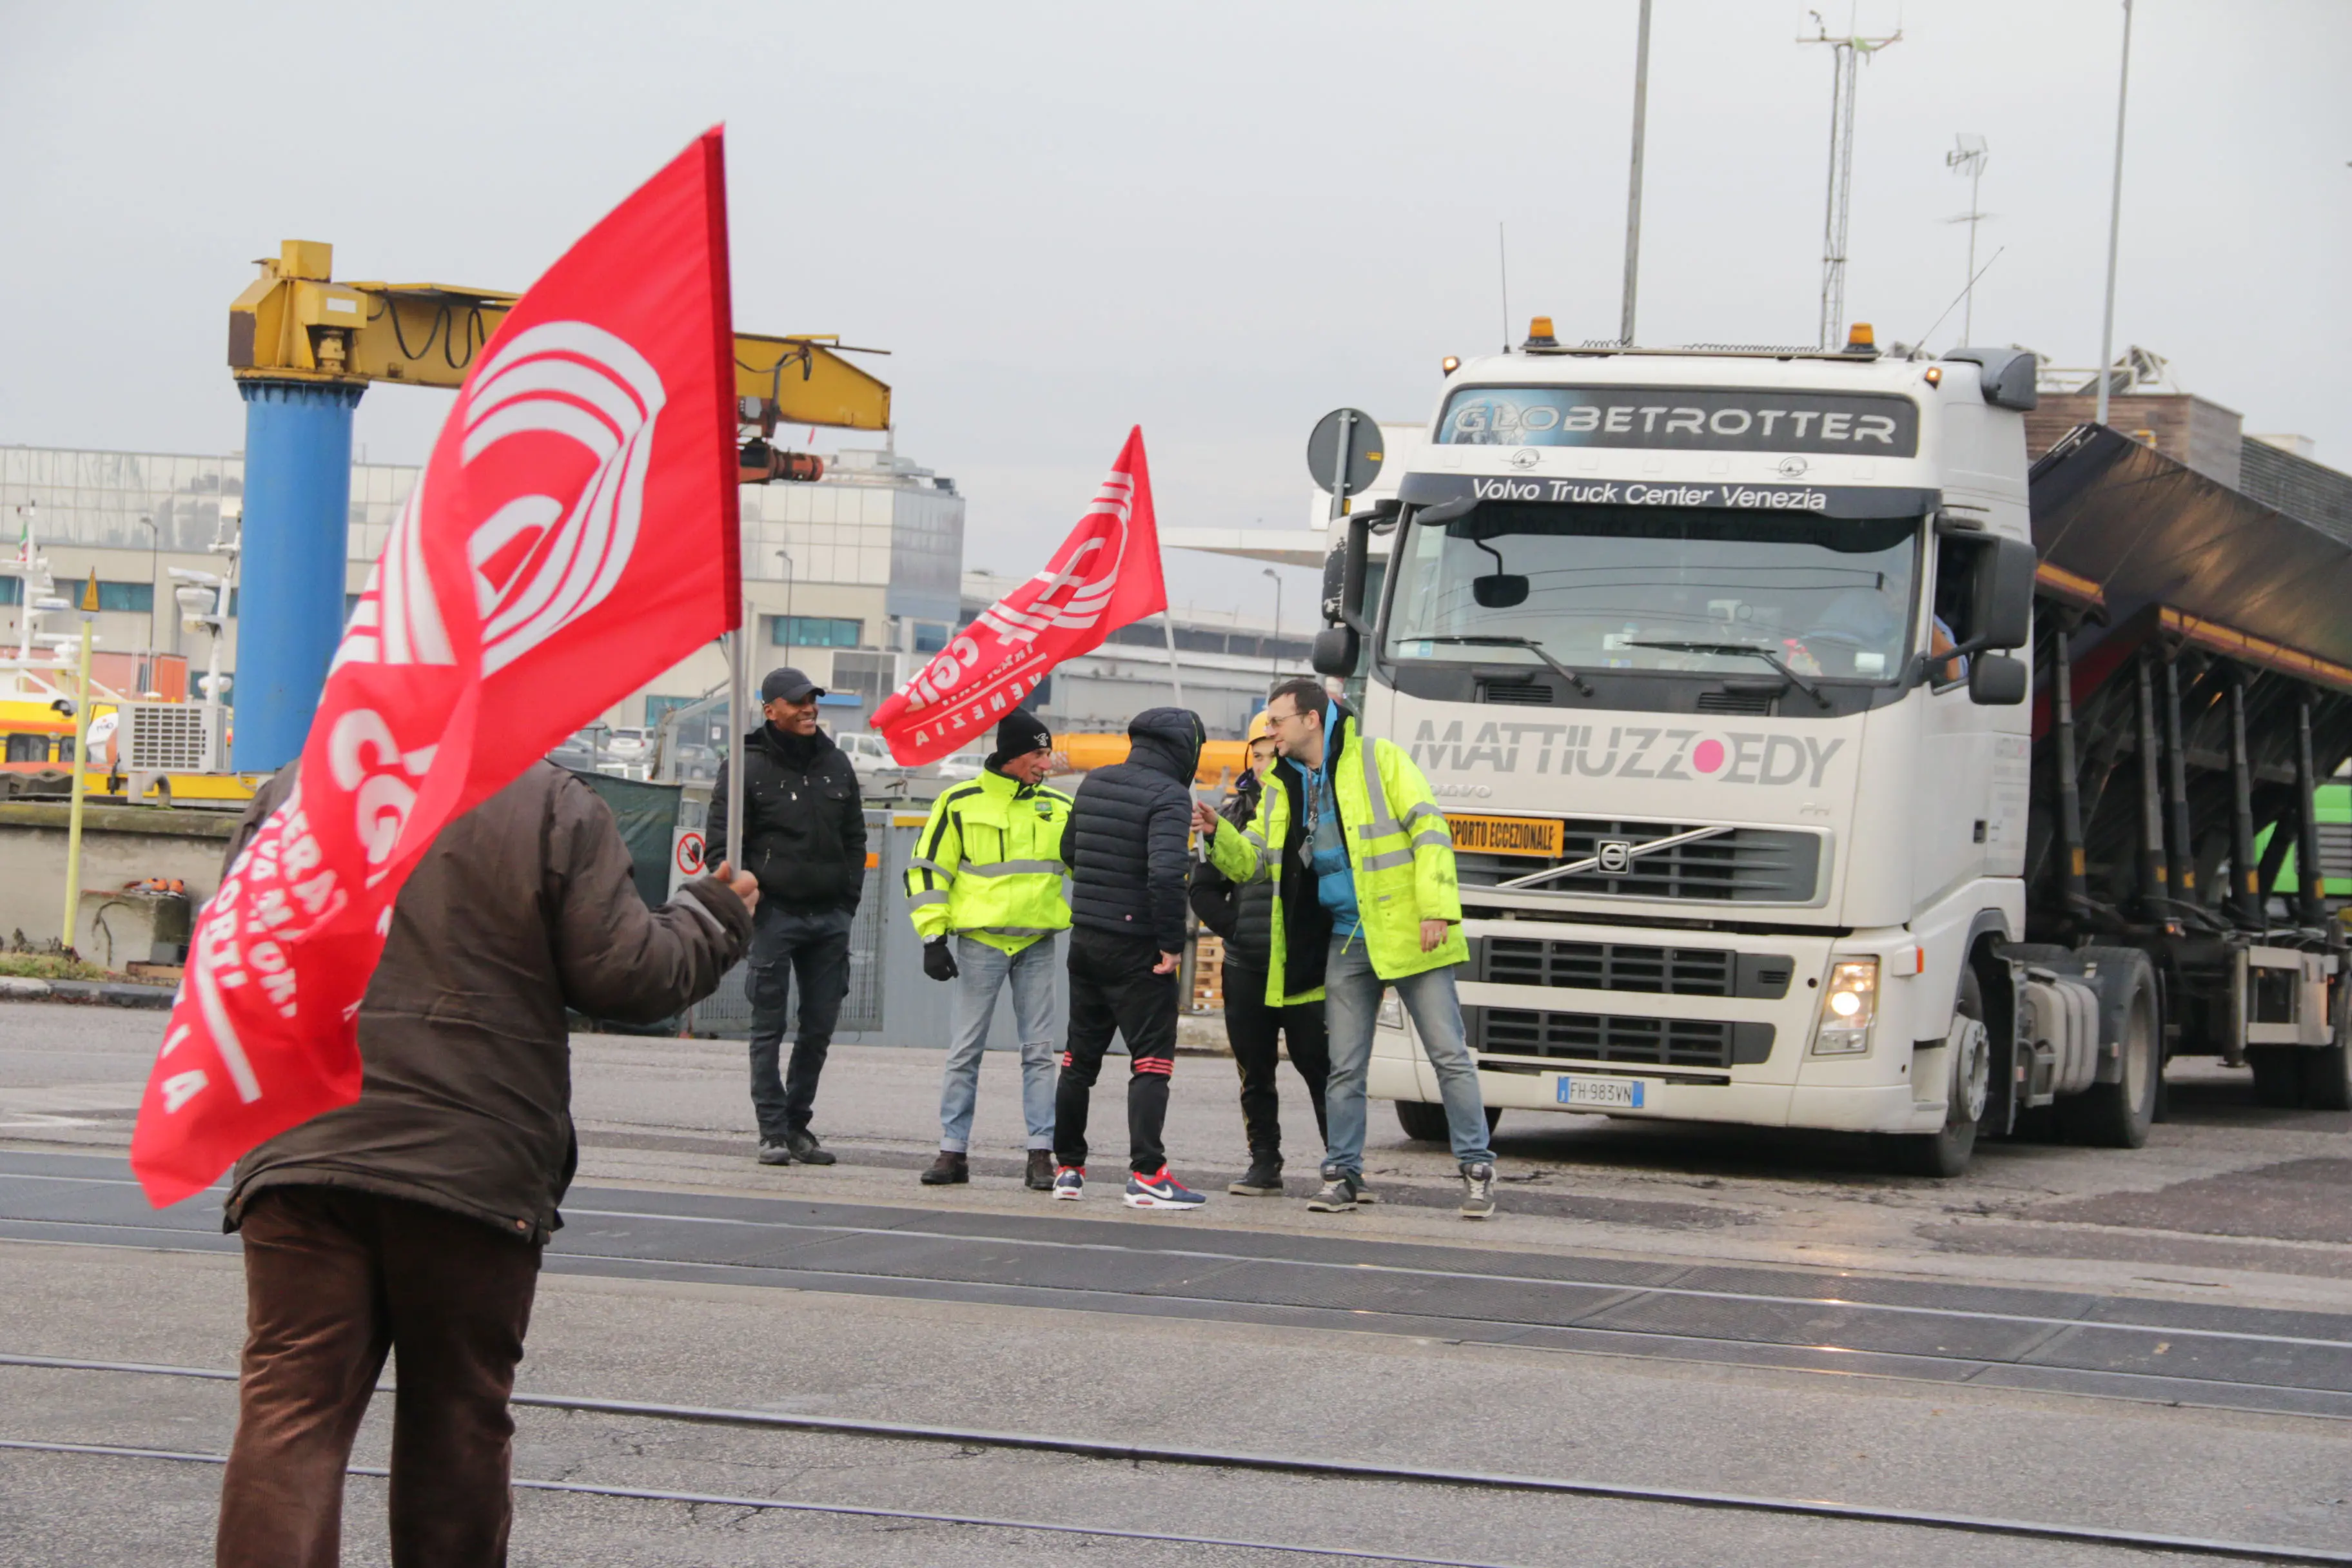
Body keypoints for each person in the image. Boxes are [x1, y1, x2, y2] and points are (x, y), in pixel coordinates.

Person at [213, 761, 756, 1568]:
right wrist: (712, 917)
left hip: (302, 1144)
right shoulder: (552, 802)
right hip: (472, 1157)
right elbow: (625, 974)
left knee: (289, 1413)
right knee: (457, 1417)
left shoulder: (298, 785)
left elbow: (232, 954)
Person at [1196, 676, 1496, 1220]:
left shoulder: (1378, 759)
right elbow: (1257, 863)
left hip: (1411, 930)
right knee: (1345, 1066)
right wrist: (1219, 833)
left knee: (1448, 1057)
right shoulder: (1283, 785)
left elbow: (1430, 830)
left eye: (1277, 720)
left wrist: (1436, 910)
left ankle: (1477, 1169)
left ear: (1311, 719)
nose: (1270, 731)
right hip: (1347, 938)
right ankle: (1342, 1175)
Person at [706, 666, 868, 1168]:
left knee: (818, 1028)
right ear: (770, 709)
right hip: (775, 918)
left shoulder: (837, 763)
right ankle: (771, 1131)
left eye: (812, 700)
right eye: (798, 702)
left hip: (829, 918)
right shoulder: (746, 768)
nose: (809, 709)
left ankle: (798, 1127)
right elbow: (721, 850)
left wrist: (847, 901)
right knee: (767, 1029)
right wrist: (750, 906)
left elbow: (856, 840)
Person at [906, 707, 1073, 1190]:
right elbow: (926, 870)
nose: (1047, 763)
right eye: (1039, 754)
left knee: (1040, 1052)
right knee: (965, 1051)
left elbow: (1092, 867)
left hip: (1039, 943)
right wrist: (933, 937)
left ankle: (1042, 1154)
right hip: (980, 943)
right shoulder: (959, 802)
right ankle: (952, 1152)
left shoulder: (1059, 808)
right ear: (1013, 756)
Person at [1052, 707, 1208, 1210]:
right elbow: (1166, 876)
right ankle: (1147, 1175)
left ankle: (1069, 1170)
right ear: (1184, 749)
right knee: (1151, 1062)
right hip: (1138, 945)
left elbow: (1070, 851)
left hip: (1087, 940)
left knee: (1079, 1060)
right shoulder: (1169, 796)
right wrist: (1170, 942)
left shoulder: (1095, 782)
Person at [1189, 708, 1329, 1196]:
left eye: (1278, 754)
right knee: (1255, 1072)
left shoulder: (1317, 808)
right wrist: (1237, 933)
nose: (1271, 763)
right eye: (1264, 755)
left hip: (1306, 968)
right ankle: (1264, 1161)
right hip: (1248, 965)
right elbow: (1202, 888)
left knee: (1322, 1068)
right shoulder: (1231, 813)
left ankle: (1341, 1162)